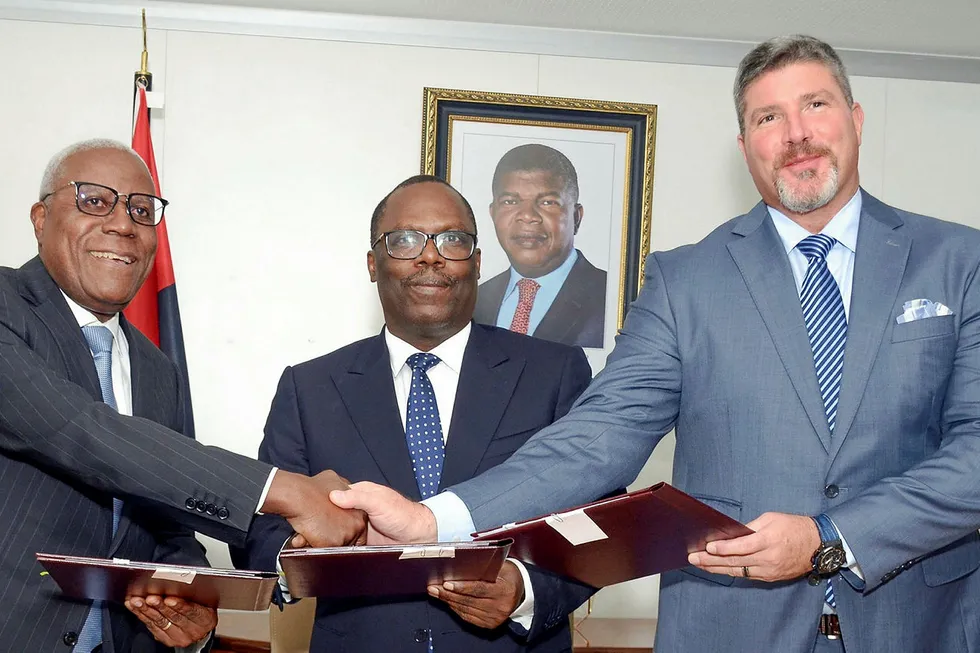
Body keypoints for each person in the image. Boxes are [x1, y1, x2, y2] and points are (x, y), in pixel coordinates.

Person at [334, 36, 980, 653]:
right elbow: (598, 436)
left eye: (815, 104)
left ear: (856, 118)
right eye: (767, 116)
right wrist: (436, 520)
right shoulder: (685, 280)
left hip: (917, 623)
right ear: (745, 143)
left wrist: (830, 537)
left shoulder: (958, 262)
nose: (796, 133)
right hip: (733, 625)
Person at [0, 139, 365, 652]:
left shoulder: (158, 370)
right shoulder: (5, 308)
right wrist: (287, 492)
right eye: (94, 200)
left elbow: (167, 523)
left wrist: (191, 598)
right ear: (40, 218)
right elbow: (81, 432)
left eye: (141, 210)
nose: (123, 224)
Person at [234, 175, 595, 651]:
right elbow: (260, 528)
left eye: (452, 239)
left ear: (477, 261)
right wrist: (296, 557)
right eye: (405, 240)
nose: (430, 256)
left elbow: (599, 522)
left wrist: (526, 590)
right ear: (372, 263)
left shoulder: (554, 372)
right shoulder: (310, 387)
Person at [474, 144, 607, 348]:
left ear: (576, 217)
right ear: (493, 214)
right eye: (510, 201)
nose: (528, 216)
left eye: (548, 202)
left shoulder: (611, 298)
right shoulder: (473, 301)